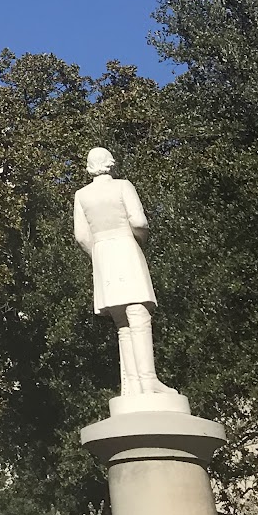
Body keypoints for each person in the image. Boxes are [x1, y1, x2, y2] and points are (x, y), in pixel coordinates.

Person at [73, 147, 174, 398]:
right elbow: (139, 222)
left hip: (102, 256)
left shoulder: (82, 195)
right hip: (126, 247)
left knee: (122, 323)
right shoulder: (123, 186)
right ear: (110, 163)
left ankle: (131, 385)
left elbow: (81, 236)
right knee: (138, 314)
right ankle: (148, 381)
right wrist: (139, 241)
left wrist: (98, 252)